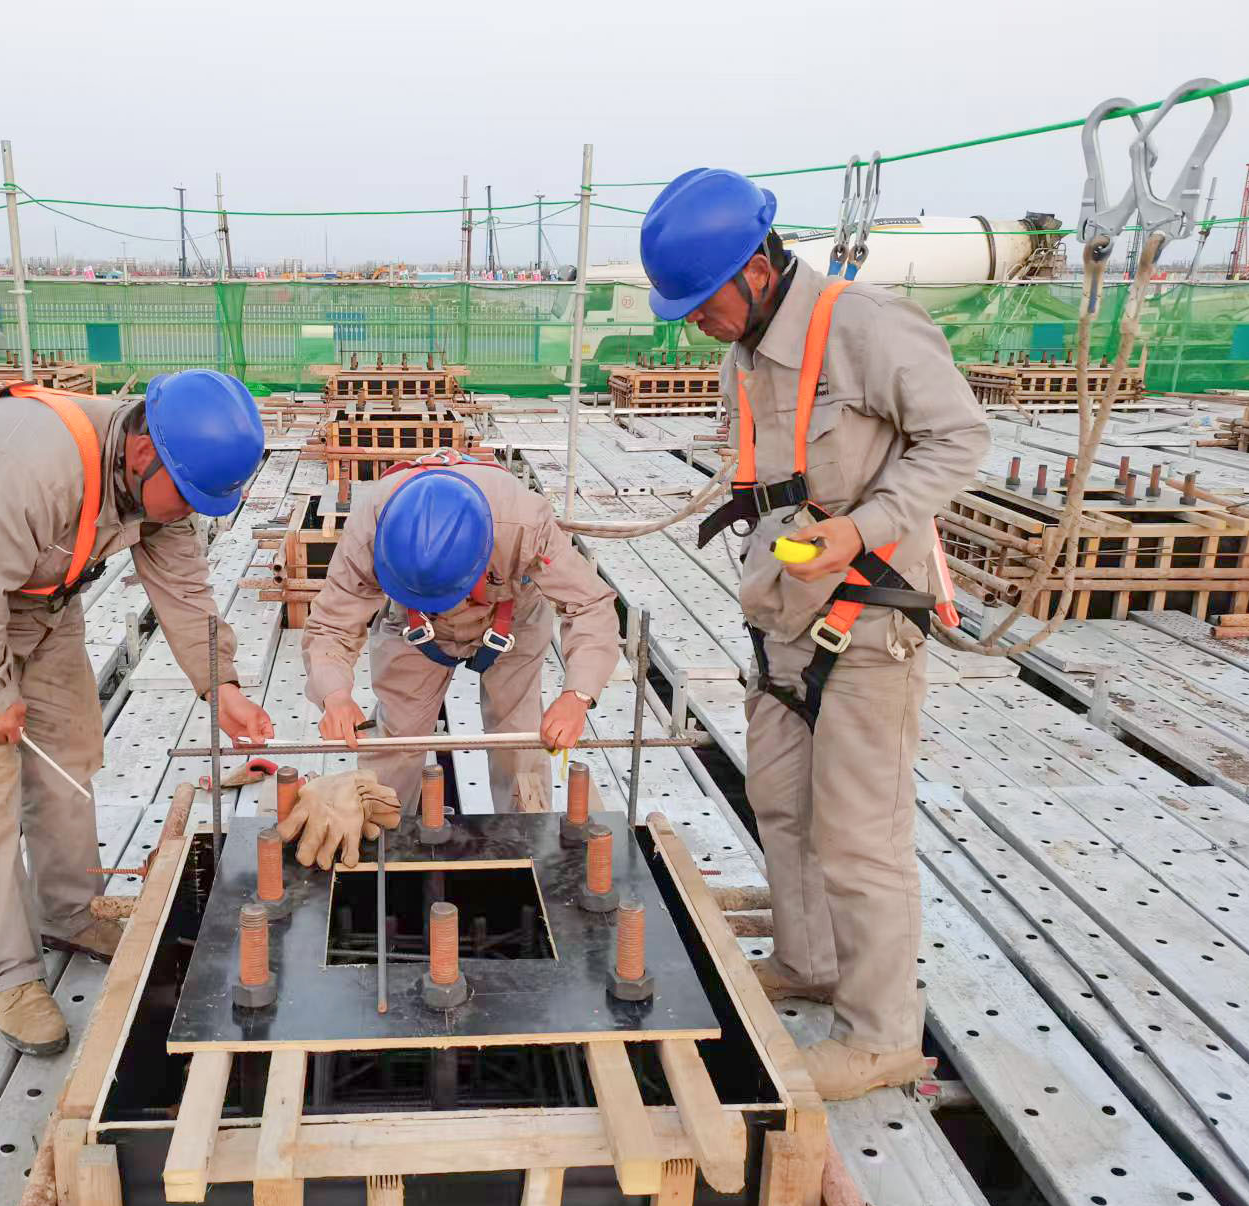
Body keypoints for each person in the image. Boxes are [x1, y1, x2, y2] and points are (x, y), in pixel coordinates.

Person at [640, 168, 988, 1100]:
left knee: (861, 835)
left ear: (756, 268)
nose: (695, 323)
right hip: (784, 621)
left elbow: (959, 438)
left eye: (702, 303)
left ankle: (881, 1036)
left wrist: (864, 527)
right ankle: (808, 960)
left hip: (867, 621)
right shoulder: (748, 350)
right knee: (783, 804)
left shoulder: (865, 328)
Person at [0, 369, 273, 1055]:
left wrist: (220, 683)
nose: (188, 511)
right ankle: (10, 976)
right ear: (144, 451)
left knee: (69, 745)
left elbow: (183, 586)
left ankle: (71, 911)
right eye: (187, 496)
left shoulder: (162, 486)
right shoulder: (33, 466)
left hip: (39, 595)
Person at [287, 451, 619, 860]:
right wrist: (335, 694)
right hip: (413, 623)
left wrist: (578, 695)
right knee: (397, 744)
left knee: (519, 740)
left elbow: (590, 605)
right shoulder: (369, 528)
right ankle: (383, 851)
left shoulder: (524, 525)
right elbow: (331, 623)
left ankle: (525, 851)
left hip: (511, 614)